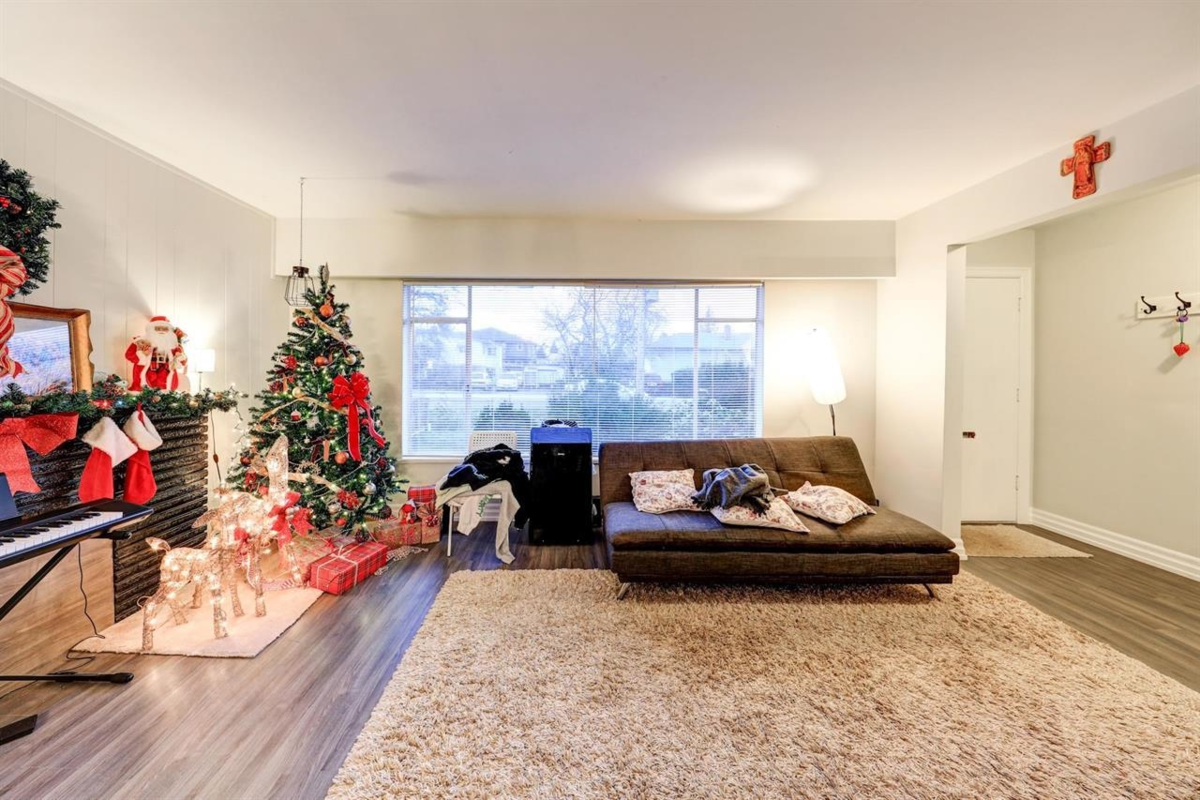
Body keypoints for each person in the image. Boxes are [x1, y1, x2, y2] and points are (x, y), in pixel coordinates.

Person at [125, 316, 190, 391]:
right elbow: (129, 355)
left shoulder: (174, 345)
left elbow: (183, 361)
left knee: (166, 395)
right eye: (157, 328)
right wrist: (142, 357)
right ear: (151, 330)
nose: (161, 331)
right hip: (146, 375)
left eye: (165, 329)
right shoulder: (140, 342)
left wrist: (179, 357)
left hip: (166, 378)